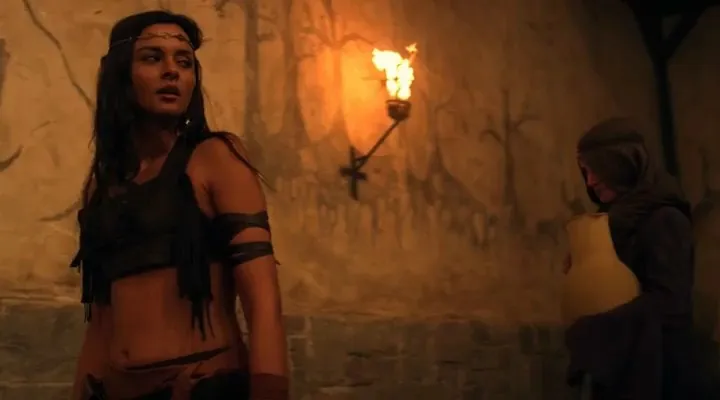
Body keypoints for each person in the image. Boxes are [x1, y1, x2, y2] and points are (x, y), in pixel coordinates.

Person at [69, 10, 288, 400]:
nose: (172, 71)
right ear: (121, 73)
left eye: (184, 62)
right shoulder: (103, 185)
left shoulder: (215, 158)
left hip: (202, 387)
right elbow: (101, 318)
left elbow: (263, 300)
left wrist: (270, 390)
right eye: (153, 58)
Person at [564, 118, 697, 399]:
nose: (591, 181)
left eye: (597, 169)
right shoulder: (610, 225)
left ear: (623, 163)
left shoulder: (665, 219)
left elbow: (672, 304)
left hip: (660, 375)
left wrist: (595, 329)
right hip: (621, 373)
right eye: (585, 172)